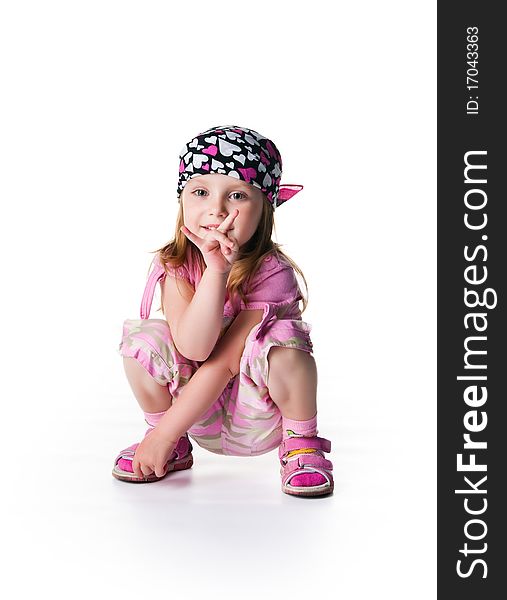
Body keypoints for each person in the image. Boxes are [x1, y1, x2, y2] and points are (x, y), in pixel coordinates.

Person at [112, 124, 334, 497]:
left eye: (236, 195)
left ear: (265, 208)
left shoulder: (272, 273)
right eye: (200, 191)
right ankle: (171, 444)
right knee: (146, 339)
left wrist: (166, 432)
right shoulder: (176, 265)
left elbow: (224, 362)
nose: (216, 209)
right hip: (190, 412)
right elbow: (194, 350)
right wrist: (215, 271)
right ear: (182, 200)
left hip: (256, 409)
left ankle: (301, 444)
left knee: (283, 342)